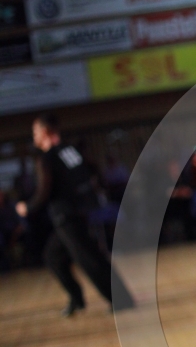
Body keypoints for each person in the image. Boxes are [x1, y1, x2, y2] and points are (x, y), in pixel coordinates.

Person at [16, 113, 135, 316]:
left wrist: (27, 207)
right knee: (53, 256)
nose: (34, 136)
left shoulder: (47, 158)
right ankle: (77, 299)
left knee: (89, 260)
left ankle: (120, 300)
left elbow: (44, 191)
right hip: (81, 212)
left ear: (45, 132)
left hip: (66, 216)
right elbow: (93, 170)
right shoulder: (72, 151)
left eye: (35, 131)